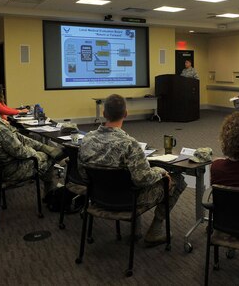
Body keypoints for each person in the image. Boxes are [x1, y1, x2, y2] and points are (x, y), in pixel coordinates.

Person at [78, 94, 187, 247]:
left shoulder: (87, 139)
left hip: (98, 198)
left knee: (130, 179)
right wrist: (161, 171)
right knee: (178, 180)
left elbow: (83, 174)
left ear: (104, 114)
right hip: (128, 201)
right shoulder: (130, 144)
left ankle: (136, 230)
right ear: (126, 114)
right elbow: (142, 179)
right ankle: (155, 231)